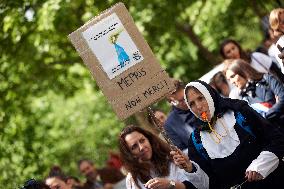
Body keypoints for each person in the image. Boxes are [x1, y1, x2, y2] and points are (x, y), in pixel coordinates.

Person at [183, 80, 284, 189]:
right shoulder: (196, 141)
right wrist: (190, 168)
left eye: (201, 98)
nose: (198, 106)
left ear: (210, 95)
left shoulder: (239, 111)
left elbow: (277, 140)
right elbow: (209, 185)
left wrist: (260, 165)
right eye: (192, 104)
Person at [119, 125, 209, 189]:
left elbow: (200, 185)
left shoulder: (172, 158)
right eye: (134, 147)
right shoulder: (133, 179)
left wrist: (170, 184)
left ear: (149, 139)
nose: (141, 147)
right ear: (129, 153)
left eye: (142, 140)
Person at [224, 59, 284, 128]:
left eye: (233, 76)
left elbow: (282, 99)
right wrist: (276, 106)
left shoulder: (267, 79)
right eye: (229, 80)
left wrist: (263, 116)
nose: (232, 82)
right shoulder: (243, 100)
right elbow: (253, 123)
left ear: (243, 71)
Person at [219, 39, 284, 84]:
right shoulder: (230, 74)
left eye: (233, 48)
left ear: (238, 47)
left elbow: (276, 70)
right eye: (228, 52)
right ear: (225, 57)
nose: (232, 52)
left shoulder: (255, 57)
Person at [164, 80, 196, 152]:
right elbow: (182, 150)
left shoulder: (199, 102)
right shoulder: (169, 125)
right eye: (179, 101)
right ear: (171, 102)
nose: (185, 103)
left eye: (185, 97)